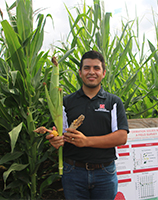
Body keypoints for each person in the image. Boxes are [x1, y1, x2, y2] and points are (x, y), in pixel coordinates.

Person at [46, 50, 129, 200]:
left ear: (103, 73)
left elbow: (122, 137)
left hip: (105, 172)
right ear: (80, 72)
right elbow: (60, 134)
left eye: (96, 68)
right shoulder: (65, 102)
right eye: (86, 68)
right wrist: (55, 139)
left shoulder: (113, 102)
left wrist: (86, 142)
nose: (91, 72)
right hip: (73, 172)